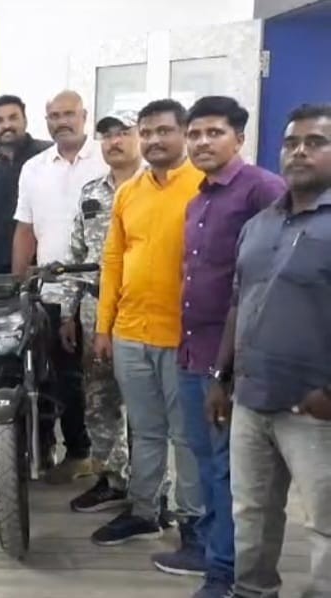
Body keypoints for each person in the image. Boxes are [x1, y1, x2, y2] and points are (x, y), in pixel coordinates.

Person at [150, 97, 286, 595]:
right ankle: (211, 552)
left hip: (231, 361)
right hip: (193, 351)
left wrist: (230, 368)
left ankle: (226, 574)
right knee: (207, 464)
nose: (202, 142)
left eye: (215, 133)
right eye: (196, 134)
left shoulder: (263, 190)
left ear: (239, 138)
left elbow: (269, 282)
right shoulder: (200, 198)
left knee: (231, 473)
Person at [207, 103, 331, 598]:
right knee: (251, 513)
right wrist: (221, 377)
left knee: (325, 523)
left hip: (316, 410)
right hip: (250, 400)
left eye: (315, 142)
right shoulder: (259, 224)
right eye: (291, 142)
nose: (299, 151)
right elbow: (239, 303)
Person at [91, 99, 204, 546]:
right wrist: (104, 327)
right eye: (148, 132)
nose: (155, 140)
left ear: (184, 134)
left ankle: (193, 524)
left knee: (187, 436)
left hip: (183, 336)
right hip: (130, 333)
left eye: (164, 131)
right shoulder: (128, 193)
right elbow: (113, 262)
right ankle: (144, 511)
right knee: (145, 430)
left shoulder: (204, 186)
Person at [13, 90, 108, 483]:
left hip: (103, 288)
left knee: (105, 377)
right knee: (62, 375)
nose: (61, 122)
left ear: (84, 115)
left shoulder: (107, 156)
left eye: (68, 114)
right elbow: (24, 229)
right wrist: (20, 285)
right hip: (53, 290)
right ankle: (78, 451)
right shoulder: (34, 168)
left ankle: (115, 464)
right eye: (54, 116)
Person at [60, 110, 141, 513]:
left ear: (140, 137)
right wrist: (68, 312)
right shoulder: (91, 192)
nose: (114, 141)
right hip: (95, 310)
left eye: (123, 133)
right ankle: (112, 479)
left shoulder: (156, 188)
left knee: (146, 405)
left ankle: (151, 491)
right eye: (107, 135)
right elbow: (76, 255)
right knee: (99, 398)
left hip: (142, 310)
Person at [0, 95, 53, 277]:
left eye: (13, 118)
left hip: (47, 267)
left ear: (25, 120)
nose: (6, 125)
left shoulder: (49, 157)